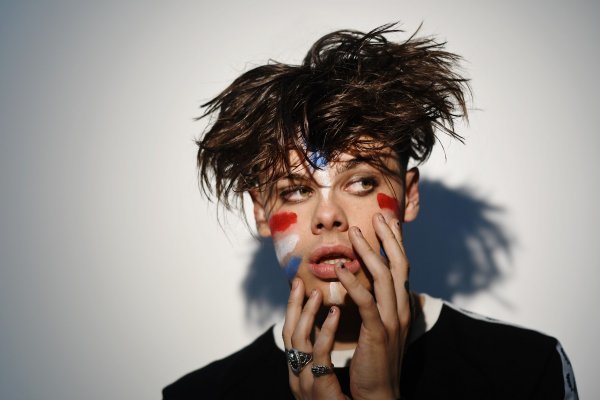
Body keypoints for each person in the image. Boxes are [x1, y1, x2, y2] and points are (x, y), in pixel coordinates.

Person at [163, 24, 578, 399]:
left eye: (361, 182)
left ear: (408, 196)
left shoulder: (524, 369)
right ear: (260, 212)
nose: (328, 215)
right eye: (297, 191)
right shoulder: (199, 396)